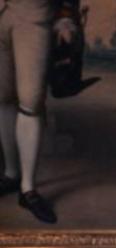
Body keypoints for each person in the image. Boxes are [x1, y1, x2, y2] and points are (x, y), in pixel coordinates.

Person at [0, 0, 79, 224]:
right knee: (3, 98)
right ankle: (11, 174)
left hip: (34, 13)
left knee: (30, 103)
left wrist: (66, 16)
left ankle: (28, 190)